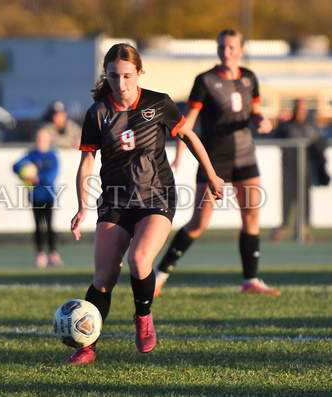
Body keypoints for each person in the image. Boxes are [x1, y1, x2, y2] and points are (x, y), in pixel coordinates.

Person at [68, 43, 225, 365]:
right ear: (106, 76)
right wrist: (82, 205)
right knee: (104, 278)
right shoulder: (97, 113)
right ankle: (87, 346)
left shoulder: (158, 103)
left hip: (157, 197)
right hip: (114, 200)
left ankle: (143, 317)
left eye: (127, 76)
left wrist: (212, 175)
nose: (121, 83)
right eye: (113, 76)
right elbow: (86, 163)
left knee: (140, 262)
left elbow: (190, 137)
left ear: (139, 73)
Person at [154, 29, 280, 297]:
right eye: (222, 47)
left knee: (252, 217)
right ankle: (160, 273)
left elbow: (255, 111)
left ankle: (250, 280)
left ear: (241, 50)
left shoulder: (249, 78)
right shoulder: (205, 80)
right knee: (199, 222)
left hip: (245, 156)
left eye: (232, 47)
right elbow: (186, 122)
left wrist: (262, 120)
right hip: (215, 161)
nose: (227, 52)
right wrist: (178, 154)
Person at [272, 99, 329, 243]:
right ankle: (281, 229)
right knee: (285, 200)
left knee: (305, 201)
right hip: (288, 169)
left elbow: (318, 144)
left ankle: (303, 231)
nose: (300, 111)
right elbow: (276, 139)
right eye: (297, 108)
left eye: (303, 108)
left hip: (306, 169)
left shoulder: (312, 126)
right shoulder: (286, 126)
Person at [13, 127, 62, 268]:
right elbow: (16, 166)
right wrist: (24, 172)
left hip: (48, 195)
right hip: (35, 195)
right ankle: (40, 254)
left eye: (42, 138)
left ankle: (53, 253)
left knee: (50, 226)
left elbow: (52, 176)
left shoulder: (52, 156)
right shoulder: (31, 155)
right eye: (37, 138)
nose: (39, 141)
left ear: (48, 140)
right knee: (38, 227)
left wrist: (37, 177)